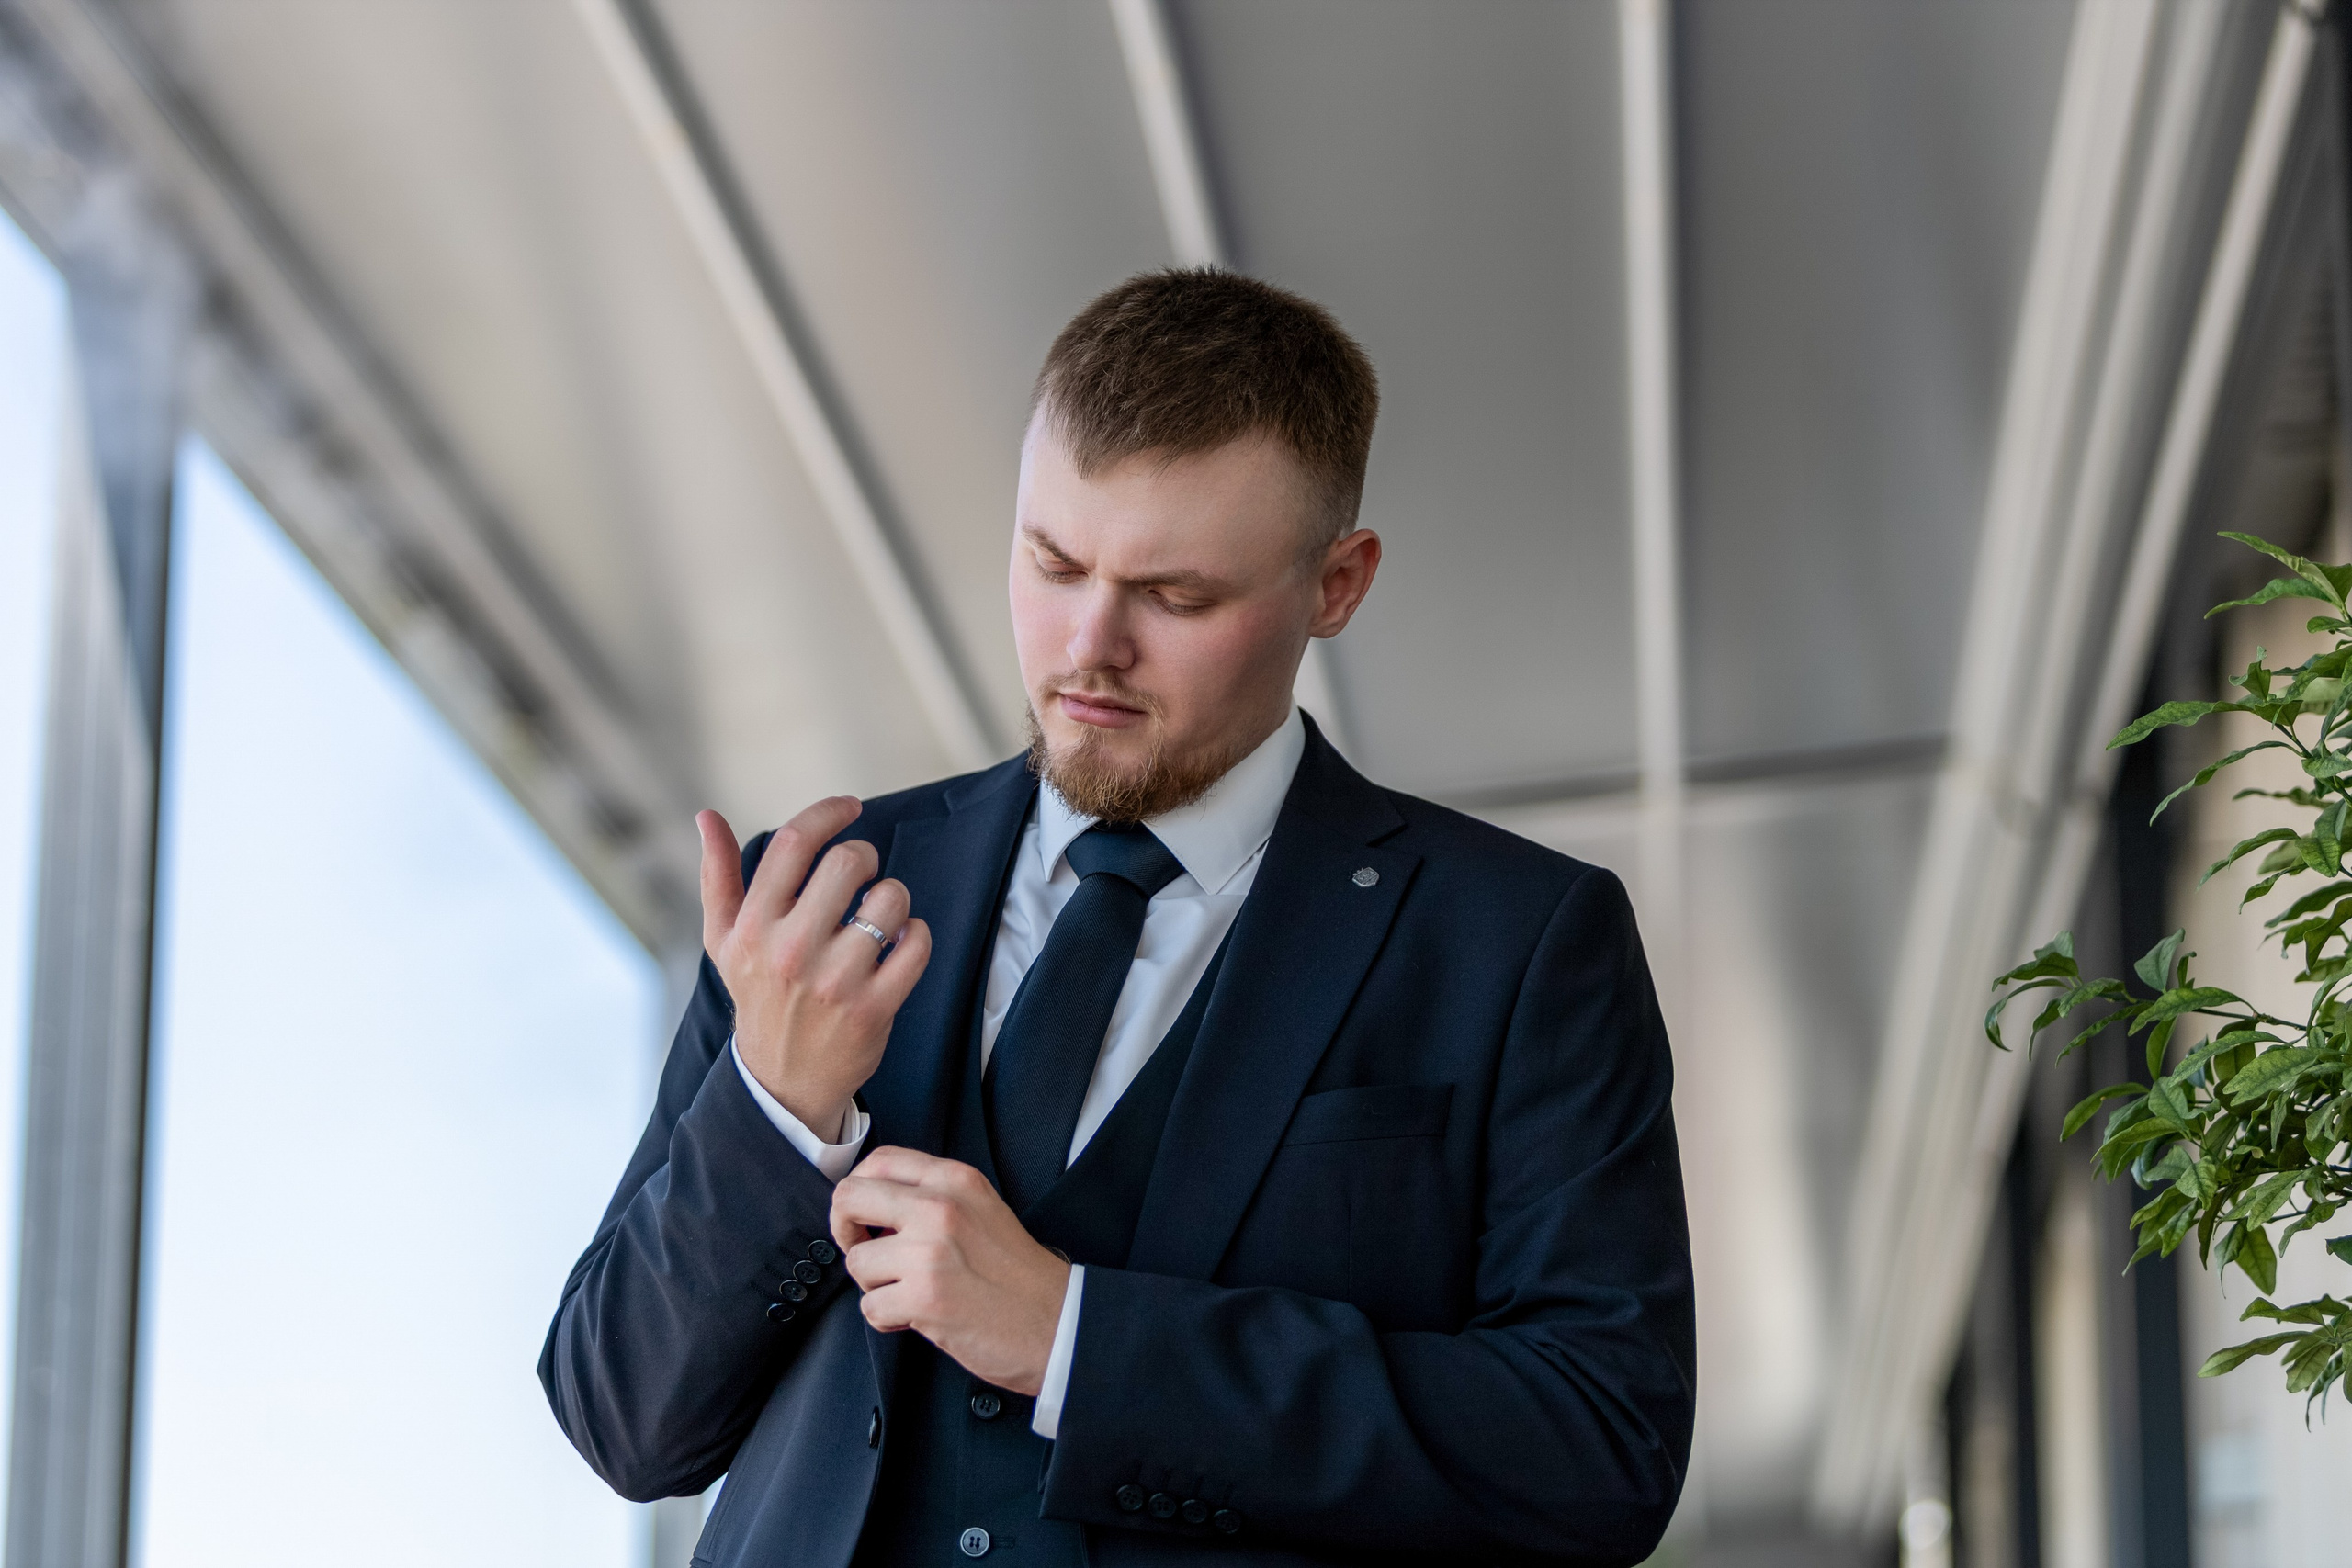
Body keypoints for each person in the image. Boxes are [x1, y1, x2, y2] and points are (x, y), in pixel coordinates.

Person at [540, 268, 1695, 1567]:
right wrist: (773, 1111)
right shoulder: (820, 904)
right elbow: (623, 1421)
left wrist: (1080, 1342)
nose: (1089, 647)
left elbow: (1602, 1447)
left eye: (1176, 596)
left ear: (1338, 584)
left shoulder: (1518, 944)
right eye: (1052, 562)